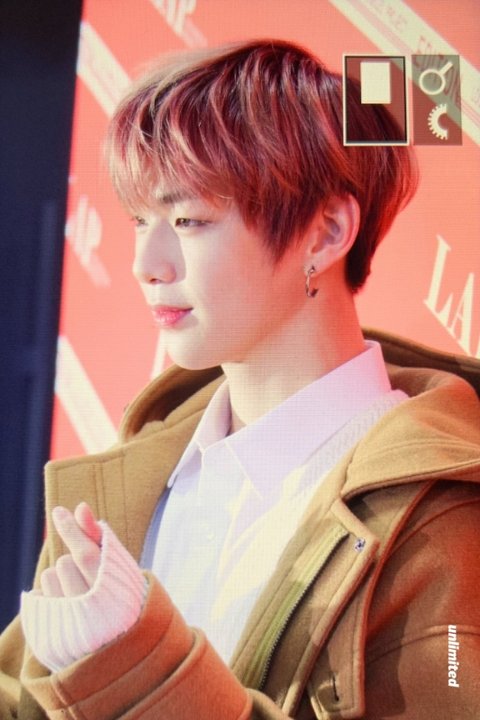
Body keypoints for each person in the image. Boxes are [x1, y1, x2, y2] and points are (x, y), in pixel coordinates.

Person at [1, 39, 479, 720]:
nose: (146, 263)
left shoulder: (441, 524)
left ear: (326, 232)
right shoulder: (139, 469)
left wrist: (134, 666)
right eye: (139, 220)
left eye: (188, 221)